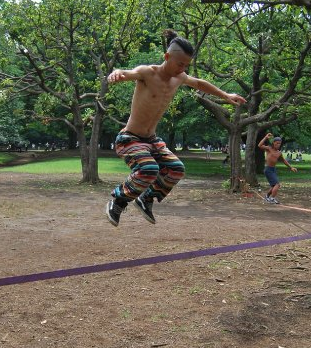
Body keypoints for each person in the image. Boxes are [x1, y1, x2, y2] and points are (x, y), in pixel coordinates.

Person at [105, 29, 246, 226]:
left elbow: (199, 83)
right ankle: (118, 201)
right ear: (167, 57)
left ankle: (146, 198)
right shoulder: (148, 72)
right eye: (180, 64)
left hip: (152, 140)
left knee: (176, 169)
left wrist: (226, 95)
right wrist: (117, 73)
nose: (182, 69)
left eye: (186, 65)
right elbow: (129, 73)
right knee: (149, 169)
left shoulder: (179, 78)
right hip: (130, 139)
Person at [258, 133, 297, 204]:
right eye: (277, 143)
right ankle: (272, 198)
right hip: (268, 169)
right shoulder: (269, 149)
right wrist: (266, 137)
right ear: (273, 143)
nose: (278, 145)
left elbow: (284, 161)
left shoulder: (279, 153)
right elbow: (259, 145)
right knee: (277, 185)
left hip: (273, 169)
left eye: (280, 143)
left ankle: (267, 197)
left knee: (273, 186)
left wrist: (291, 167)